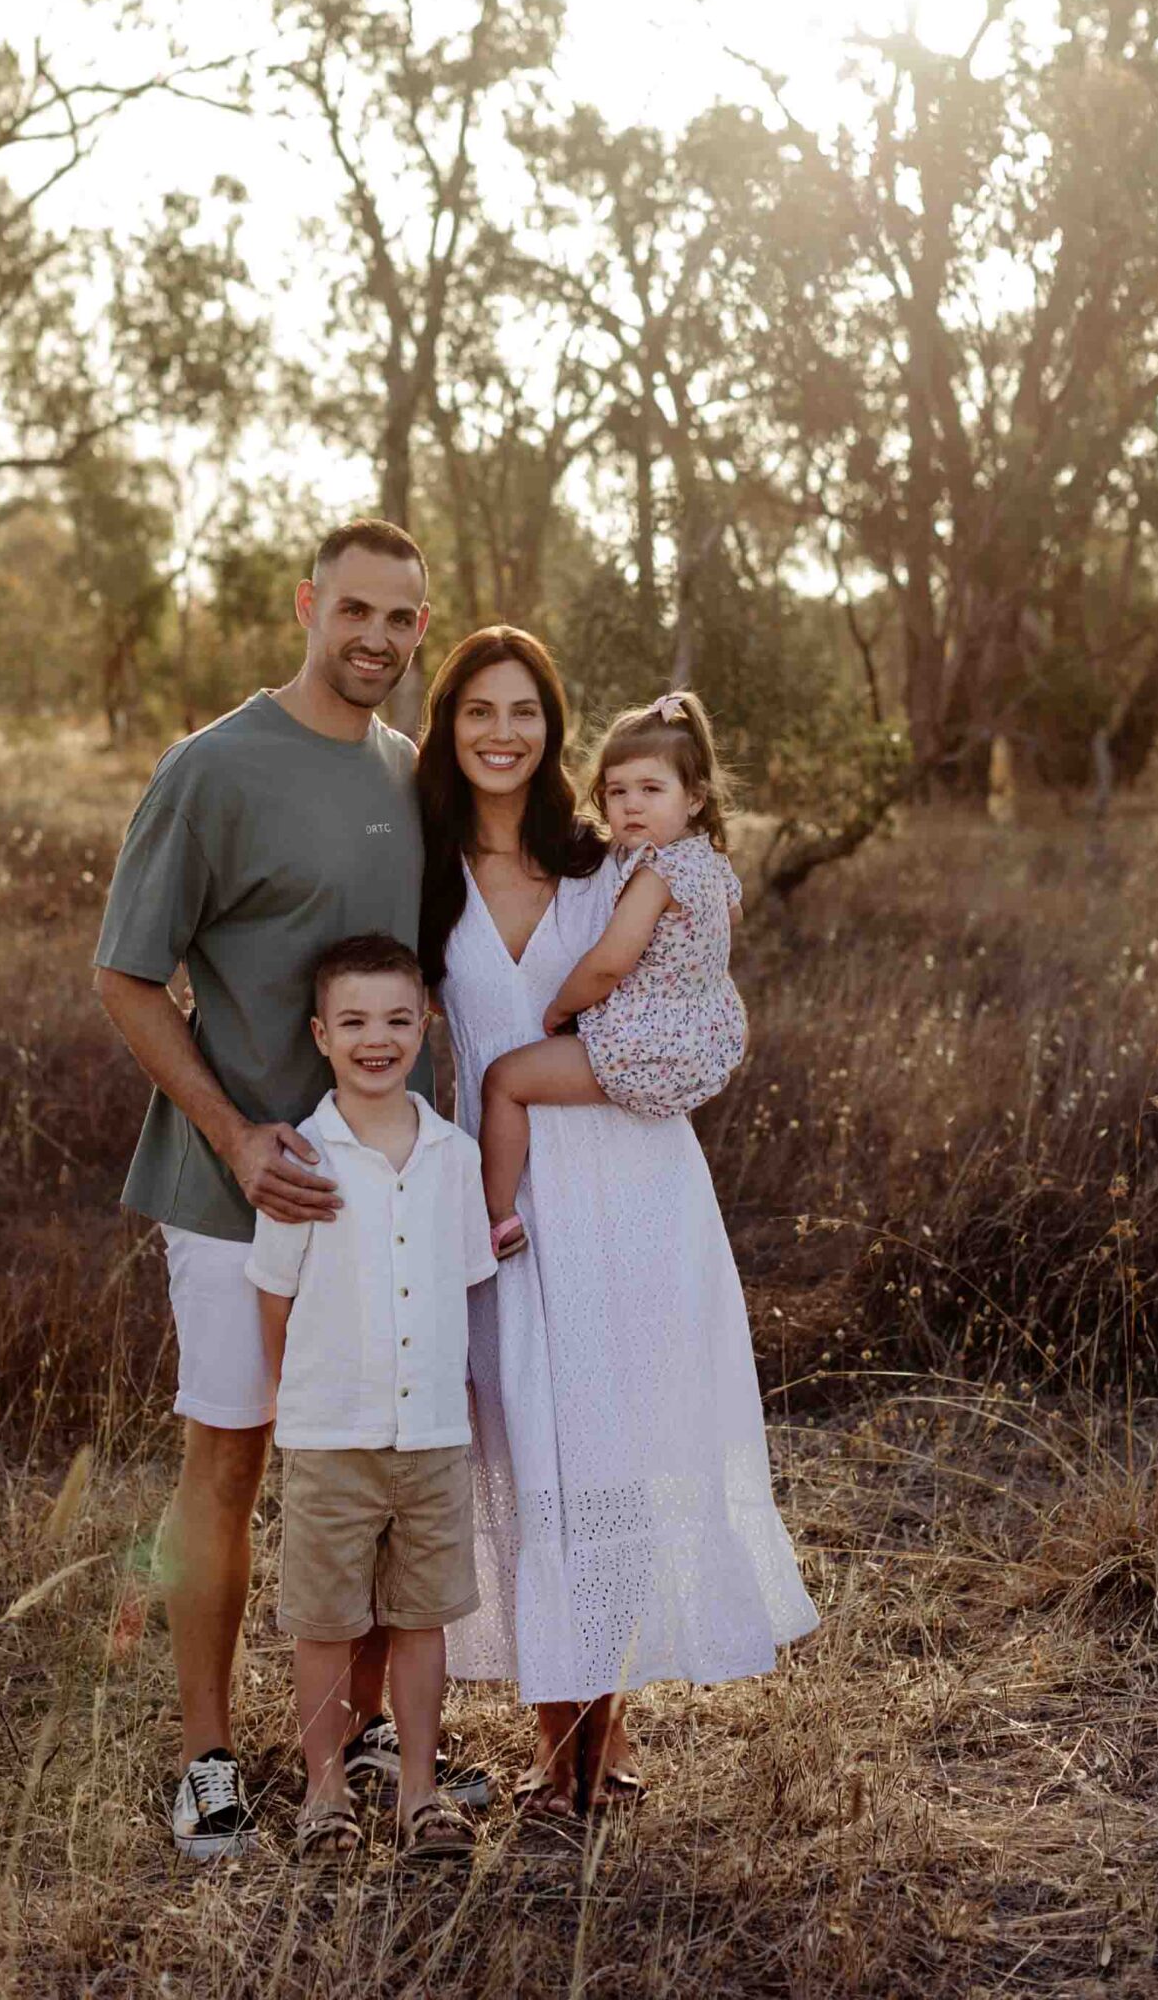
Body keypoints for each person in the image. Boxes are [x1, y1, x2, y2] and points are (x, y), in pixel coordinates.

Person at [93, 519, 483, 1861]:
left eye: (402, 620)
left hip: (374, 1203)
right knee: (230, 1458)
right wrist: (235, 1135)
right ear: (307, 605)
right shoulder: (212, 769)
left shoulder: (408, 773)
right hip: (232, 1195)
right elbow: (124, 977)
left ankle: (365, 1729)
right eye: (354, 610)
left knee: (370, 1452)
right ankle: (205, 1758)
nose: (374, 638)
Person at [418, 627, 818, 1820]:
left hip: (633, 1184)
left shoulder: (609, 858)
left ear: (552, 730)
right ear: (448, 730)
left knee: (613, 1448)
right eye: (477, 711)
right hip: (506, 1199)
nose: (500, 732)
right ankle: (558, 1746)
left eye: (524, 711)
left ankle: (607, 1741)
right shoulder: (422, 871)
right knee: (527, 1443)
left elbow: (685, 987)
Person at [247, 934, 495, 1865]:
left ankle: (421, 1795)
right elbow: (274, 1293)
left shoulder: (454, 1155)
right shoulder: (302, 1161)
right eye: (354, 1021)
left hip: (430, 1433)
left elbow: (466, 1282)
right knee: (325, 1618)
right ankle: (325, 1793)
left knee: (420, 1616)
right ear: (320, 1033)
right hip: (331, 1433)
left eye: (397, 1019)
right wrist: (290, 1402)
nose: (377, 1039)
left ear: (426, 1024)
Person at [478, 690, 747, 1260]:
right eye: (617, 791)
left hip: (642, 1048)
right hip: (701, 1037)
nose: (630, 806)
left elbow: (607, 964)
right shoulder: (711, 861)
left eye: (652, 790)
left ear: (695, 797)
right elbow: (730, 917)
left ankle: (496, 1218)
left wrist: (560, 1010)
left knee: (504, 1081)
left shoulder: (655, 873)